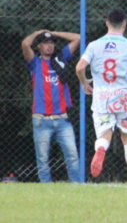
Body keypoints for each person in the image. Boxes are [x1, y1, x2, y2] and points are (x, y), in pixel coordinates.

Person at [76, 9, 127, 185]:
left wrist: (84, 83)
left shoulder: (94, 45)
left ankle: (101, 148)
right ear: (124, 24)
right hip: (123, 96)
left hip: (102, 95)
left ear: (106, 23)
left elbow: (80, 67)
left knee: (105, 133)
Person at [21, 29, 80, 183]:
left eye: (51, 43)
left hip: (62, 119)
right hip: (41, 120)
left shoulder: (60, 59)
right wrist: (37, 32)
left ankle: (77, 186)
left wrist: (54, 33)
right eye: (45, 43)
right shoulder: (34, 63)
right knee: (42, 159)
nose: (49, 46)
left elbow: (77, 38)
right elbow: (25, 44)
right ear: (39, 45)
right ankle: (46, 188)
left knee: (72, 155)